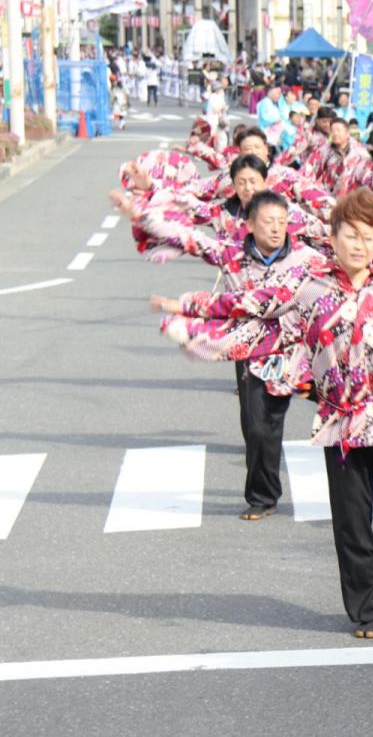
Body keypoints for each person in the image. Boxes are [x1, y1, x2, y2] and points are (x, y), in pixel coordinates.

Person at [153, 189, 373, 637]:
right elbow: (248, 305)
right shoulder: (307, 285)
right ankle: (372, 608)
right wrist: (186, 308)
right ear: (331, 238)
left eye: (367, 237)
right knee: (351, 520)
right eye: (350, 235)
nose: (359, 245)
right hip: (340, 421)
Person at [118, 189, 322, 519]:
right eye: (268, 221)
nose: (275, 228)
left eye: (281, 222)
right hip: (253, 351)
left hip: (302, 352)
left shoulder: (306, 260)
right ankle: (263, 496)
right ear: (250, 224)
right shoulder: (231, 255)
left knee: (349, 404)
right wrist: (141, 215)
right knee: (259, 426)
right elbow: (189, 238)